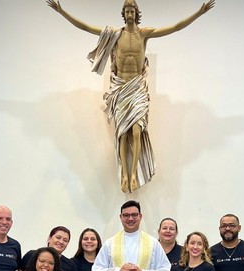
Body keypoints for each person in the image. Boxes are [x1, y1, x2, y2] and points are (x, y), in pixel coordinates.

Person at [46, 0, 216, 192]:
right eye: (126, 11)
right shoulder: (115, 35)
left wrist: (199, 13)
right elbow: (85, 27)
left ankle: (134, 172)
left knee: (136, 130)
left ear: (136, 13)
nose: (129, 14)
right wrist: (61, 12)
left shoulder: (144, 34)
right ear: (123, 14)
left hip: (137, 88)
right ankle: (125, 174)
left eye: (132, 11)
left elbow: (175, 28)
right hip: (120, 88)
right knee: (122, 134)